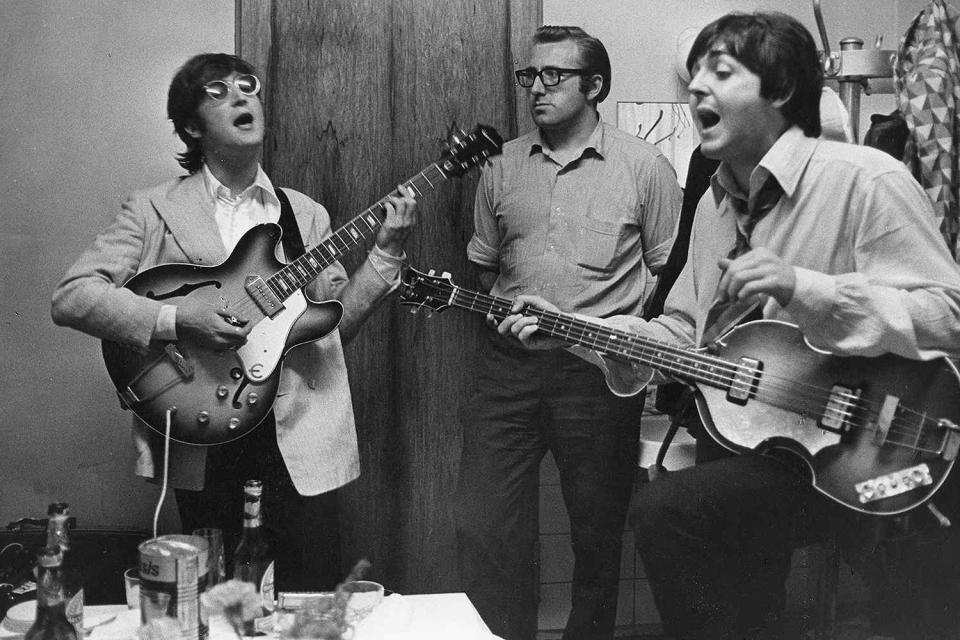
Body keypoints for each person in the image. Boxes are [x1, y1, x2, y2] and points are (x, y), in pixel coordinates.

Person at [497, 11, 960, 639]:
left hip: (887, 440)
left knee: (905, 605)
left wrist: (809, 289)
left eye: (720, 72)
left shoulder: (865, 180)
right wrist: (577, 330)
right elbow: (683, 338)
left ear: (781, 93)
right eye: (694, 76)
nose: (695, 90)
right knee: (676, 519)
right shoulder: (717, 206)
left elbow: (949, 315)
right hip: (767, 449)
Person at [50, 53, 418, 592]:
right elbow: (73, 296)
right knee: (216, 599)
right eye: (218, 91)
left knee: (308, 596)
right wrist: (177, 318)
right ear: (193, 125)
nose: (243, 96)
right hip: (204, 424)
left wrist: (385, 254)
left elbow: (337, 328)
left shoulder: (303, 214)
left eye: (248, 86)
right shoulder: (152, 208)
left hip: (298, 436)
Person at [454, 25, 682, 640]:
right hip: (507, 371)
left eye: (554, 76)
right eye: (530, 76)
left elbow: (670, 276)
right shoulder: (500, 165)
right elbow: (486, 264)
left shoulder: (645, 168)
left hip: (596, 374)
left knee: (597, 535)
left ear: (596, 85)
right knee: (487, 527)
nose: (536, 88)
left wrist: (625, 344)